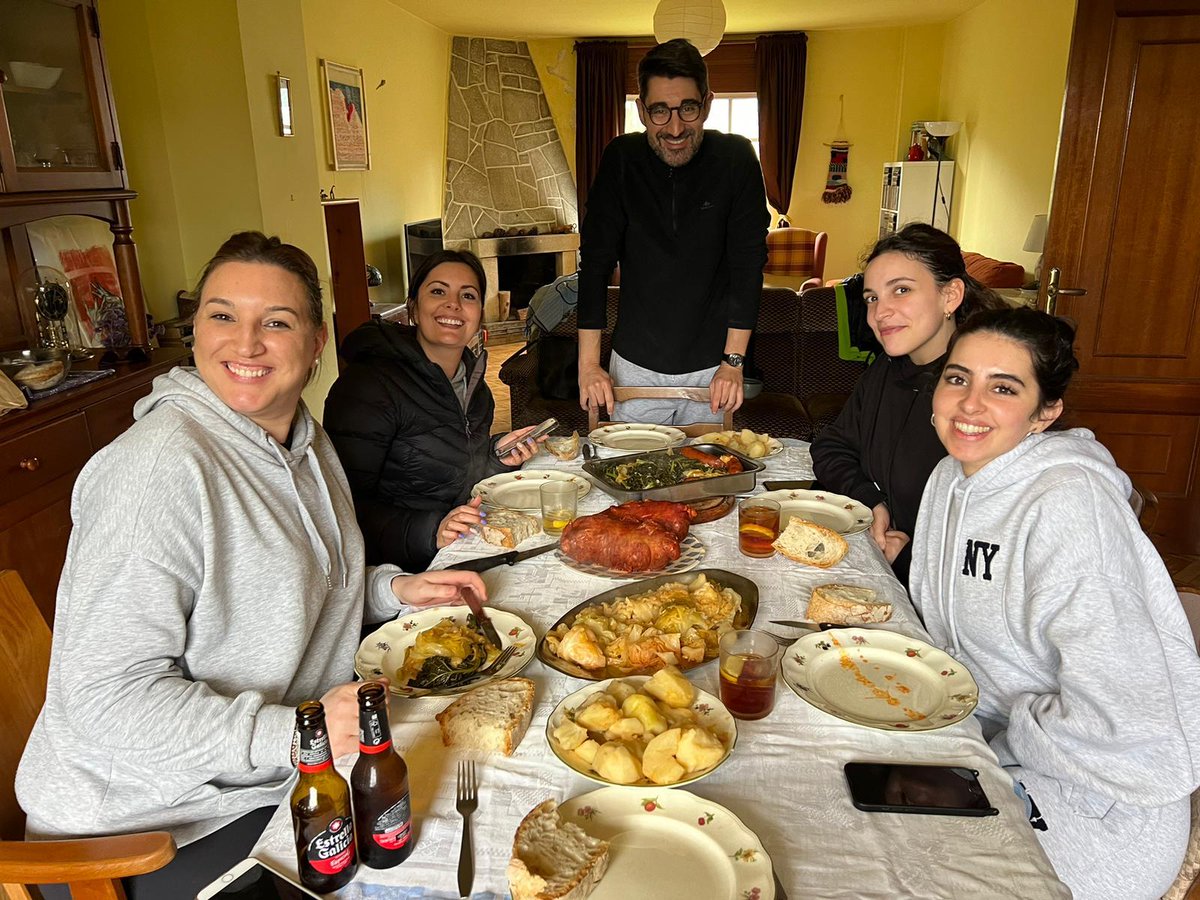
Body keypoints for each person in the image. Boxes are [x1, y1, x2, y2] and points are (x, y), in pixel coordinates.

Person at [16, 232, 487, 900]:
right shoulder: (155, 474)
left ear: (317, 341)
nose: (245, 343)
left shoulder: (300, 435)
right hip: (149, 835)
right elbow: (105, 703)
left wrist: (395, 589)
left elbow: (314, 582)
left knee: (468, 789)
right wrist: (299, 734)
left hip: (275, 777)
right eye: (222, 315)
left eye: (276, 321)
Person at [911, 307, 1200, 900]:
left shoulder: (1069, 506)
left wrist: (995, 747)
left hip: (1098, 799)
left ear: (1046, 412)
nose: (969, 404)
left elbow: (1124, 721)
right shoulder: (948, 477)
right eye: (958, 377)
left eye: (1004, 388)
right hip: (983, 746)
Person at [575, 37, 769, 425]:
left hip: (714, 370)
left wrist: (733, 362)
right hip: (633, 366)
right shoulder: (621, 160)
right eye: (660, 111)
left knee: (706, 480)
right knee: (631, 478)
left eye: (688, 108)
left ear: (707, 104)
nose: (675, 127)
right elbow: (594, 266)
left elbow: (748, 267)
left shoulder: (736, 159)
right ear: (642, 111)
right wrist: (588, 366)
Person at [810, 223, 1005, 584]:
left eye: (901, 290)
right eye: (872, 298)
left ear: (951, 296)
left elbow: (998, 552)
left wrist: (911, 559)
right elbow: (832, 445)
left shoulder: (985, 398)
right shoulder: (886, 368)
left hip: (939, 606)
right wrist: (869, 500)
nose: (880, 313)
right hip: (884, 571)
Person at [323, 249, 540, 572]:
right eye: (438, 291)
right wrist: (431, 530)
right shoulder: (369, 387)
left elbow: (457, 473)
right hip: (399, 574)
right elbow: (340, 508)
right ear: (413, 308)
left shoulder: (476, 389)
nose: (453, 304)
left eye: (467, 295)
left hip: (461, 547)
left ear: (480, 313)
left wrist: (495, 457)